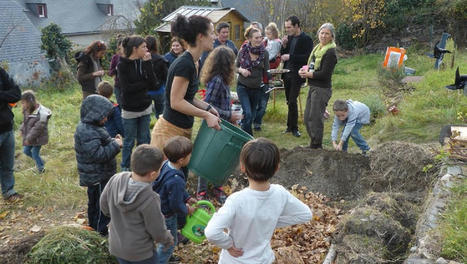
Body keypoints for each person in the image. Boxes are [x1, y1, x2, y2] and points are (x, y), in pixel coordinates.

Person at [204, 138, 312, 263]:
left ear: (243, 167)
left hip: (234, 260)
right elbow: (305, 214)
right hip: (263, 260)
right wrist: (269, 220)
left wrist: (228, 244)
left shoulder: (237, 200)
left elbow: (212, 232)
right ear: (277, 168)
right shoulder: (280, 193)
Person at [151, 14, 221, 153]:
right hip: (169, 133)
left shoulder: (194, 62)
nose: (214, 37)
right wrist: (206, 115)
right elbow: (176, 102)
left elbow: (187, 98)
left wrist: (208, 108)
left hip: (181, 130)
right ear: (200, 36)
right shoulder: (184, 64)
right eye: (212, 33)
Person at [100, 144, 174, 264]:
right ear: (153, 174)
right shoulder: (150, 198)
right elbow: (157, 229)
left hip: (117, 246)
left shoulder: (115, 179)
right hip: (141, 254)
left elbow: (104, 206)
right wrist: (167, 239)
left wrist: (117, 217)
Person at [197, 46, 242, 203]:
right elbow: (207, 104)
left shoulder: (222, 79)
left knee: (221, 156)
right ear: (226, 63)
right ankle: (201, 192)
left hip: (223, 123)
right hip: (214, 124)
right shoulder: (216, 80)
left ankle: (217, 187)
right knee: (209, 155)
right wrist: (229, 115)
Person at [74, 95, 122, 235]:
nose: (106, 119)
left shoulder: (93, 127)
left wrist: (112, 141)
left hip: (99, 175)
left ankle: (94, 228)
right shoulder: (87, 131)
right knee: (101, 205)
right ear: (94, 115)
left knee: (96, 203)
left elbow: (99, 144)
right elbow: (98, 155)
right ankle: (99, 233)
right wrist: (116, 145)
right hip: (97, 176)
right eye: (104, 116)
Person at [152, 136, 197, 264]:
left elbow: (175, 192)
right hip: (167, 215)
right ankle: (161, 259)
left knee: (166, 239)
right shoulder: (176, 178)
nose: (191, 156)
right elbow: (176, 204)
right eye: (189, 155)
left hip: (159, 209)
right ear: (181, 160)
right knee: (170, 243)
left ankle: (165, 256)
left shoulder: (166, 165)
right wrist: (187, 210)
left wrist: (187, 197)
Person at [118, 35, 156, 171]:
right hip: (130, 109)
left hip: (145, 107)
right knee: (128, 141)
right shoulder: (122, 65)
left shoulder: (144, 61)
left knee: (144, 139)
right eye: (144, 47)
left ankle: (142, 166)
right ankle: (125, 167)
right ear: (135, 49)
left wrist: (147, 64)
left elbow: (153, 84)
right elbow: (127, 89)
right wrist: (144, 84)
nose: (147, 49)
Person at [299, 23, 338, 149]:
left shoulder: (330, 52)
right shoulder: (317, 49)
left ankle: (316, 146)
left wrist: (309, 74)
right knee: (307, 118)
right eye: (322, 33)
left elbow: (325, 74)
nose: (324, 36)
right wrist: (303, 71)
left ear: (332, 36)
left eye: (327, 33)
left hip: (322, 89)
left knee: (315, 119)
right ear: (318, 34)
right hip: (313, 86)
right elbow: (312, 66)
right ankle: (314, 144)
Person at [281, 16, 313, 137]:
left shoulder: (306, 39)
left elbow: (307, 58)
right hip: (286, 73)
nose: (287, 30)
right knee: (289, 100)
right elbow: (283, 55)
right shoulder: (288, 38)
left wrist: (291, 57)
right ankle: (289, 127)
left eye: (289, 27)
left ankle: (295, 128)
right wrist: (283, 46)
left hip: (298, 74)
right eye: (286, 27)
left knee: (293, 100)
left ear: (296, 26)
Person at [236, 26, 270, 136]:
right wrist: (241, 70)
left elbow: (267, 71)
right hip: (243, 86)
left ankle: (242, 133)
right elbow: (234, 67)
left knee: (250, 116)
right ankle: (249, 139)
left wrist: (274, 77)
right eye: (256, 38)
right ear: (250, 39)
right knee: (248, 113)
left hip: (257, 89)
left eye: (260, 37)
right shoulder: (243, 51)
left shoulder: (264, 53)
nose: (259, 40)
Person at [253, 22, 282, 131]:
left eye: (269, 34)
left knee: (263, 104)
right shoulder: (264, 42)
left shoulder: (275, 43)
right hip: (256, 79)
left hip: (266, 78)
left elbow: (273, 58)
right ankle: (252, 121)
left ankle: (257, 122)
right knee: (255, 102)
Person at [0, 67, 22, 202]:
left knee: (8, 164)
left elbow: (16, 94)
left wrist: (0, 95)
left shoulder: (1, 72)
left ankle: (9, 191)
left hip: (6, 126)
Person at [20, 90, 52, 174]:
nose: (22, 105)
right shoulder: (27, 109)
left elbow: (38, 128)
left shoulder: (42, 113)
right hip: (30, 137)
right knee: (26, 151)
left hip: (38, 137)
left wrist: (28, 138)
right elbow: (25, 122)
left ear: (30, 101)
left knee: (34, 152)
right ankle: (41, 161)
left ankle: (41, 169)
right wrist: (22, 129)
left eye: (23, 103)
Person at [145, 35, 168, 119]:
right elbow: (166, 76)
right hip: (159, 89)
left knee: (146, 114)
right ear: (155, 45)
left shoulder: (141, 59)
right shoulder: (161, 59)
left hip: (146, 90)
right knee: (161, 113)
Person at [109, 36, 124, 105]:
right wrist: (116, 69)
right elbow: (110, 73)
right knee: (121, 107)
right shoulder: (115, 57)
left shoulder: (132, 57)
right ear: (119, 47)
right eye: (121, 47)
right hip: (118, 86)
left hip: (130, 86)